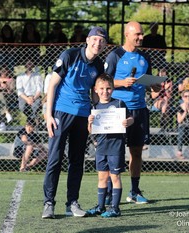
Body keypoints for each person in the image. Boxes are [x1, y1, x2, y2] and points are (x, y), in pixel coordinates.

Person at [42, 26, 107, 219]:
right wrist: (48, 115)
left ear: (104, 45)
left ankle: (72, 203)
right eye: (95, 39)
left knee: (77, 162)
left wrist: (101, 114)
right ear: (87, 40)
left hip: (83, 116)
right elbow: (52, 85)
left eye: (102, 41)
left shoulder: (99, 65)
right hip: (61, 113)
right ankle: (48, 203)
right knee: (55, 159)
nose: (98, 43)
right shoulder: (69, 55)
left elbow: (95, 94)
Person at [104, 21, 160, 204]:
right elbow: (102, 81)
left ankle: (134, 192)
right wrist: (121, 83)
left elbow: (151, 88)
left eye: (142, 34)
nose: (141, 37)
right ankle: (110, 193)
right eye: (137, 34)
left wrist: (155, 86)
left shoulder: (145, 57)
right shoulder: (115, 56)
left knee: (136, 152)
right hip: (118, 110)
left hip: (139, 110)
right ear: (127, 34)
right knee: (116, 153)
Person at [86, 73, 134, 218]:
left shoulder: (119, 104)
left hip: (116, 147)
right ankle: (100, 207)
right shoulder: (95, 107)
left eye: (108, 88)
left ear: (112, 89)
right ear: (95, 89)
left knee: (115, 177)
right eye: (102, 88)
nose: (105, 92)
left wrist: (128, 122)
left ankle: (115, 208)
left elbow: (131, 117)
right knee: (102, 178)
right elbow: (91, 131)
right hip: (101, 148)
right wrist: (89, 122)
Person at [0, 65, 15, 130]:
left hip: (8, 97)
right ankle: (6, 113)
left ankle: (2, 122)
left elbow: (12, 92)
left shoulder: (11, 80)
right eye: (2, 71)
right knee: (0, 96)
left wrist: (7, 87)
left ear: (8, 71)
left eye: (5, 70)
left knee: (2, 97)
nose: (3, 72)